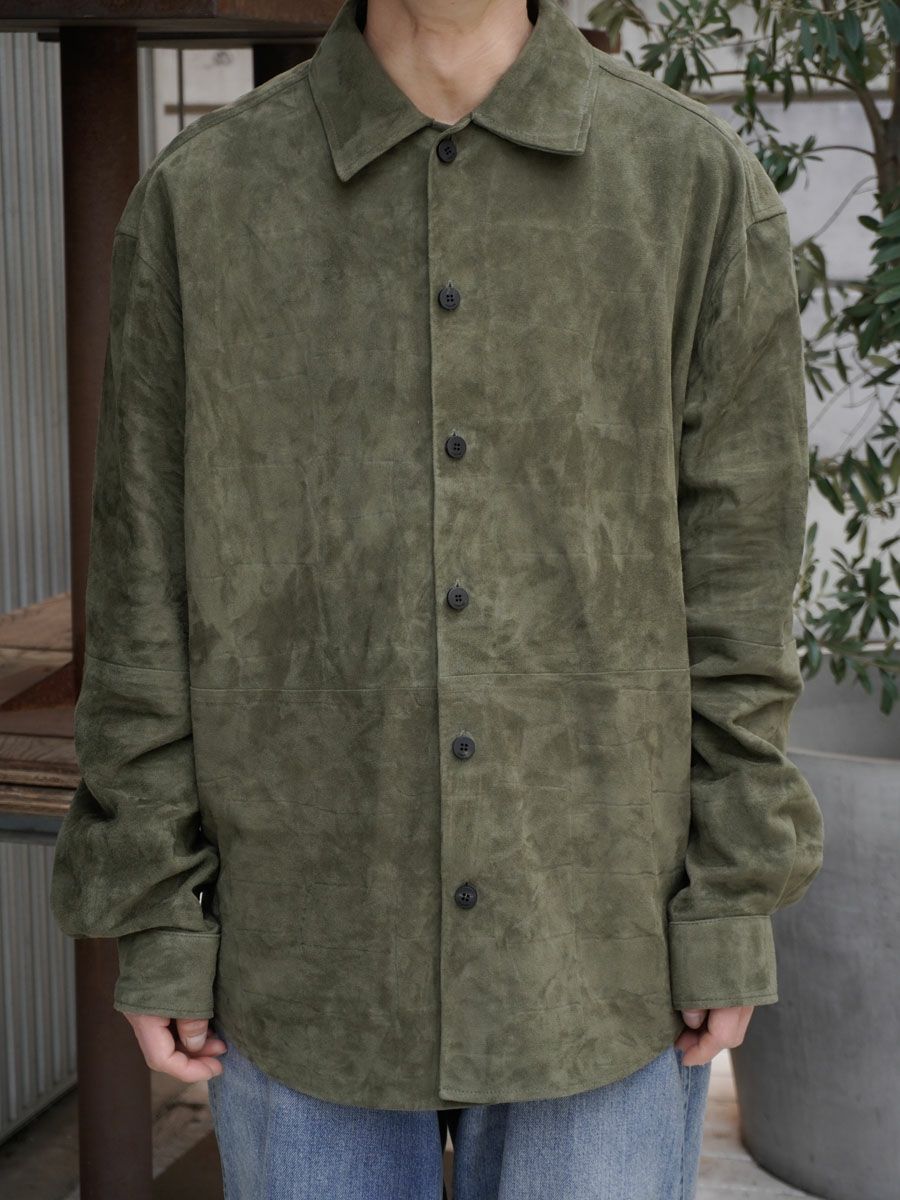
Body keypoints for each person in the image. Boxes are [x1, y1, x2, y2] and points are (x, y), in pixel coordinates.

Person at [50, 0, 825, 1196]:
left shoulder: (691, 186)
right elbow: (143, 590)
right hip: (304, 957)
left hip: (602, 952)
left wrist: (729, 902)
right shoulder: (203, 202)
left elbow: (741, 590)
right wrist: (157, 914)